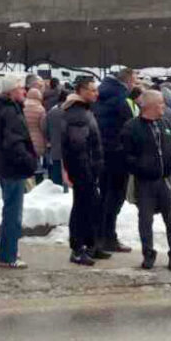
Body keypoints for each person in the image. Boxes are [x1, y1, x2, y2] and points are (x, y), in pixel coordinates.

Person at [121, 90, 171, 271]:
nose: (163, 106)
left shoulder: (166, 124)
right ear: (149, 106)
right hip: (145, 182)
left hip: (165, 179)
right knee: (145, 220)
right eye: (160, 104)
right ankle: (148, 253)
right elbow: (126, 155)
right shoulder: (132, 127)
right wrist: (141, 167)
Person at [0, 77, 38, 269]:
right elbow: (14, 143)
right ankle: (8, 256)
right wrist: (29, 161)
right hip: (12, 168)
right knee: (13, 214)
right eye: (20, 89)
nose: (24, 91)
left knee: (10, 211)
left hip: (3, 167)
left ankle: (8, 252)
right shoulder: (10, 111)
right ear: (11, 92)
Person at [93, 68, 137, 254]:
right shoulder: (122, 99)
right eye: (134, 79)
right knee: (116, 196)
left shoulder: (100, 95)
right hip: (118, 154)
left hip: (101, 152)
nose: (135, 83)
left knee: (104, 195)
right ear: (127, 81)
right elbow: (131, 126)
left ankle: (99, 236)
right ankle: (108, 236)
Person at [62, 79, 106, 266]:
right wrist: (87, 171)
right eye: (93, 90)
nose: (97, 93)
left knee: (90, 207)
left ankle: (90, 245)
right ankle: (78, 249)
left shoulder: (84, 110)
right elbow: (78, 146)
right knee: (82, 208)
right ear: (81, 91)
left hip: (88, 169)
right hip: (83, 170)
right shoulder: (77, 113)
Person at [23, 87, 47, 184]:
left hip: (24, 138)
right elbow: (43, 126)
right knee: (36, 161)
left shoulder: (22, 106)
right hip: (37, 139)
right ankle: (38, 182)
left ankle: (27, 181)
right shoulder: (40, 109)